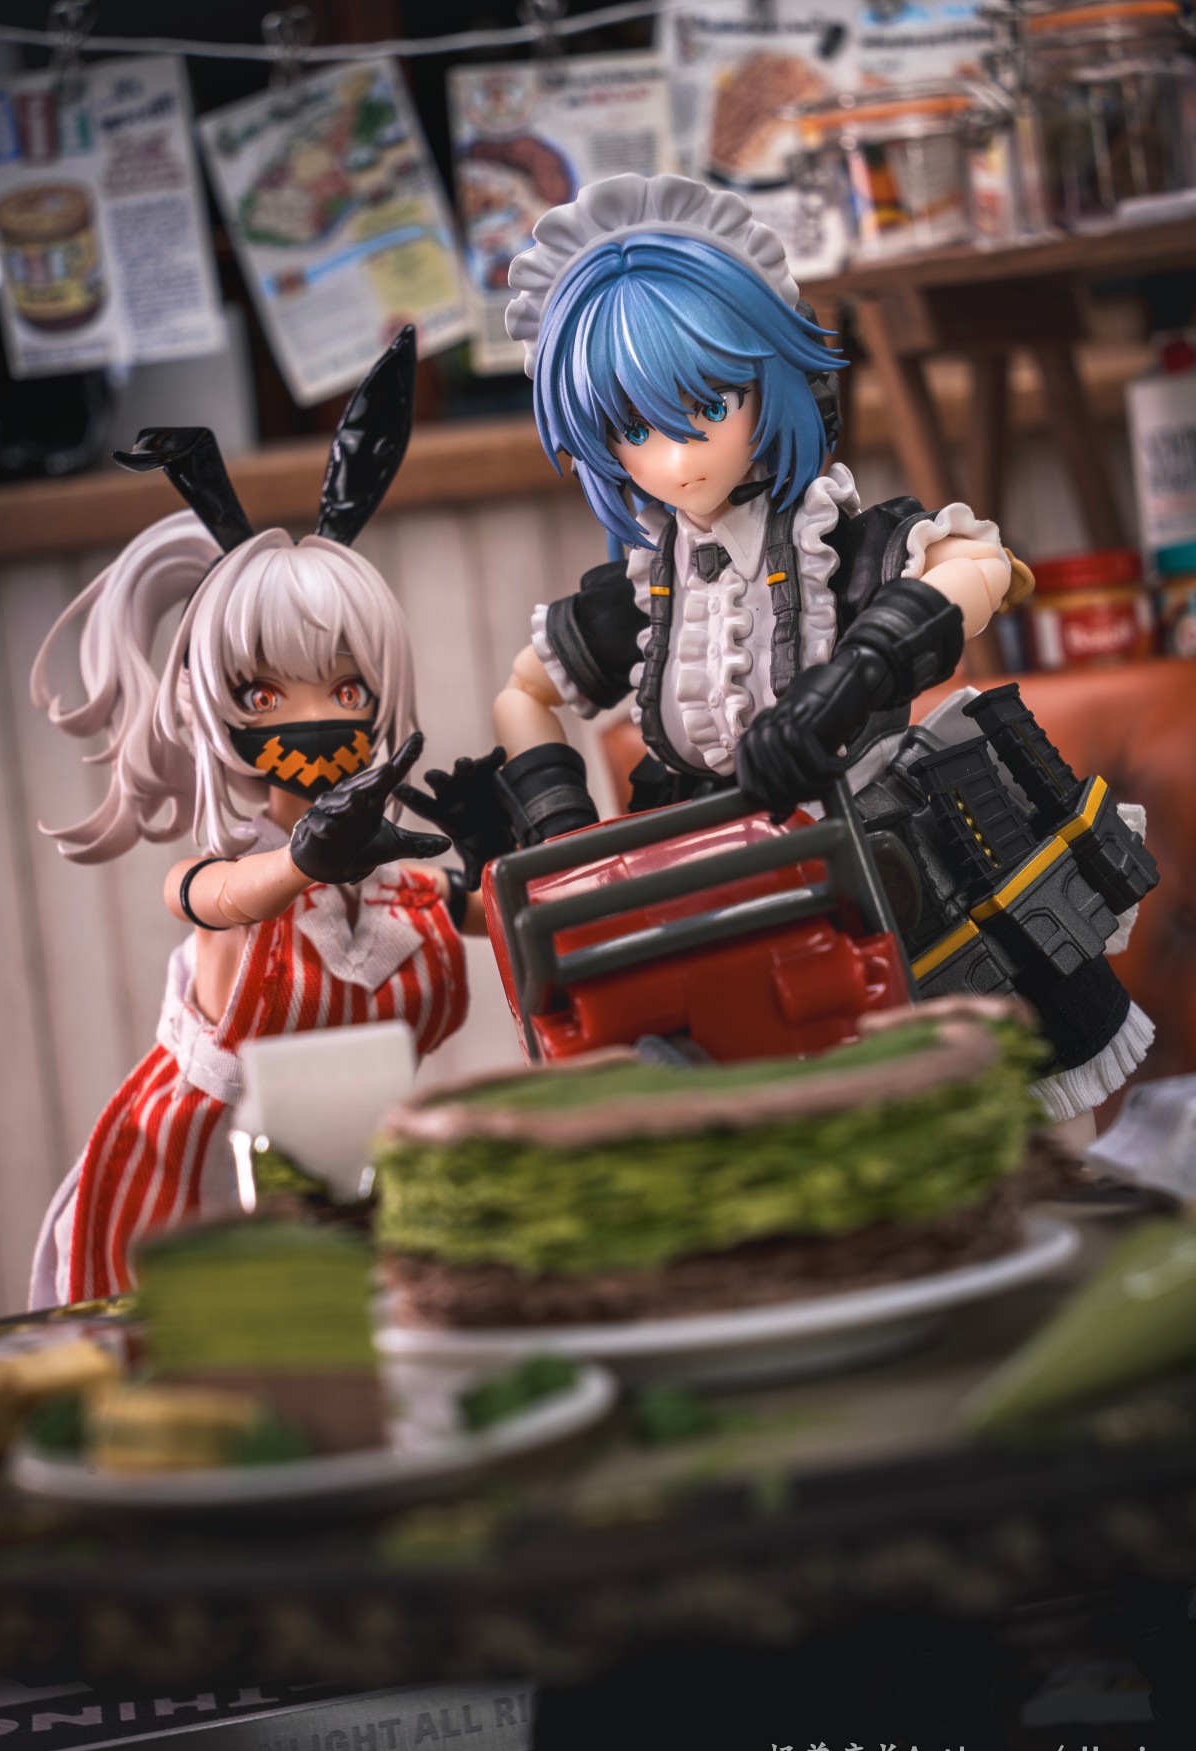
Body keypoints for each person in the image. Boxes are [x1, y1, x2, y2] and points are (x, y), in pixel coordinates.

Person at [400, 174, 1155, 1120]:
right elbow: (525, 691)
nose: (676, 457)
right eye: (633, 429)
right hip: (733, 909)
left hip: (893, 874)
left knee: (994, 1116)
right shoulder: (645, 589)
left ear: (773, 379)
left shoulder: (835, 544)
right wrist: (561, 838)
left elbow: (980, 564)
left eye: (708, 403)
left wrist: (855, 679)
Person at [28, 332, 475, 1308]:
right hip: (207, 1182)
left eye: (347, 688)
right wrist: (307, 859)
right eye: (266, 695)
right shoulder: (233, 871)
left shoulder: (392, 880)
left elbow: (492, 909)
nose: (315, 715)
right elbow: (216, 895)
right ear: (218, 707)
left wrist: (503, 857)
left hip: (364, 1168)